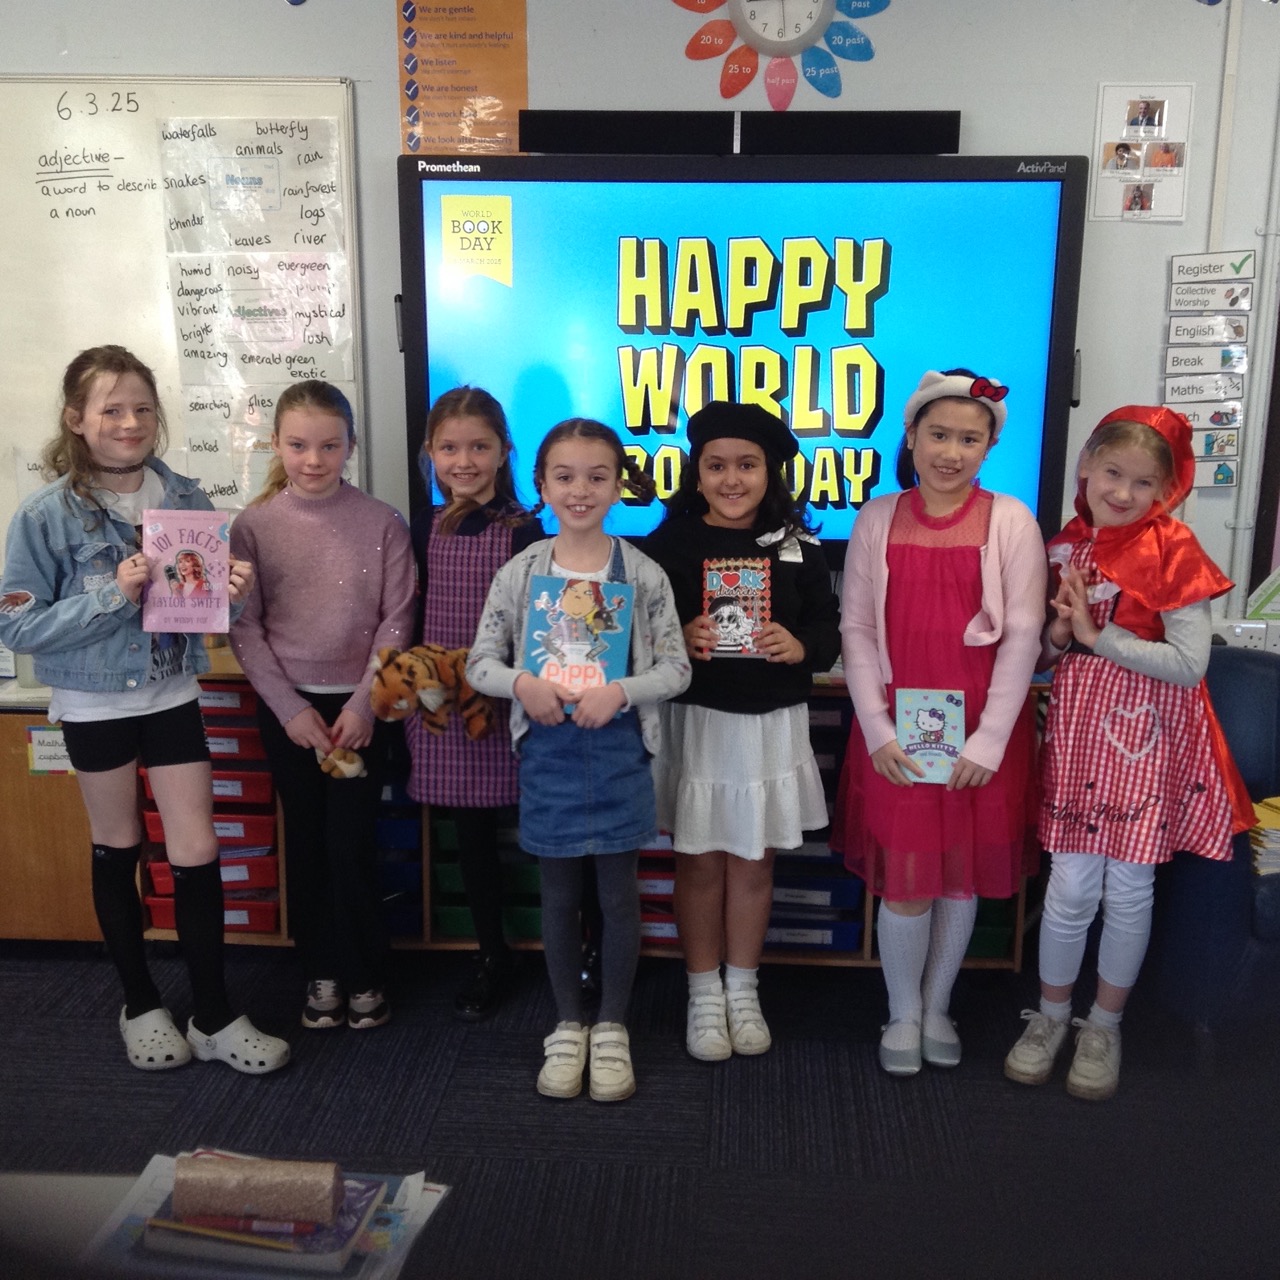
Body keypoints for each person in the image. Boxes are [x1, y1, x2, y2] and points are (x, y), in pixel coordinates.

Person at [0, 345, 289, 1074]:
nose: (130, 423)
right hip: (93, 700)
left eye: (141, 408)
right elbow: (17, 626)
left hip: (171, 691)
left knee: (197, 847)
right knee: (118, 843)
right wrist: (113, 594)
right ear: (77, 419)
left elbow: (205, 614)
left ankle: (213, 1014)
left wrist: (232, 595)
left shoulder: (185, 497)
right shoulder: (45, 514)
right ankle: (140, 1004)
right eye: (112, 409)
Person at [1003, 406, 1252, 1101]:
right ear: (1086, 466)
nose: (1123, 492)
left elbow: (1191, 665)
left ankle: (1104, 1025)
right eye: (1113, 473)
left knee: (1129, 889)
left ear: (1166, 490)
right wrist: (1060, 635)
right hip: (1081, 735)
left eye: (1144, 483)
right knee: (1070, 886)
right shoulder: (1064, 547)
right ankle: (1051, 1016)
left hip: (1147, 739)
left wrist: (1096, 635)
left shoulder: (1175, 548)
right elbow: (1044, 658)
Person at [467, 418, 690, 1102]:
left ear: (619, 485)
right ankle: (568, 1022)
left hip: (620, 751)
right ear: (541, 485)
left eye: (597, 476)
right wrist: (523, 684)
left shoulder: (643, 574)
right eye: (564, 477)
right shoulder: (521, 573)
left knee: (618, 895)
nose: (580, 490)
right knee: (560, 896)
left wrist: (622, 690)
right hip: (550, 754)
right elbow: (479, 663)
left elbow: (677, 668)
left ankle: (613, 1024)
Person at [832, 369, 1046, 1076]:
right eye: (938, 435)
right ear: (912, 436)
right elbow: (857, 628)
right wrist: (876, 728)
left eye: (969, 439)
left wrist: (990, 738)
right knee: (907, 879)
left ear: (989, 447)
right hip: (898, 729)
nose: (951, 452)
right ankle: (902, 1010)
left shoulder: (1011, 520)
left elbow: (1023, 633)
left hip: (982, 728)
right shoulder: (876, 518)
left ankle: (937, 1006)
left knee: (959, 876)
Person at [645, 401, 840, 1061]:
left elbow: (828, 627)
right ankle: (703, 991)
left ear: (770, 472)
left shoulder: (798, 545)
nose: (732, 479)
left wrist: (801, 645)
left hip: (769, 725)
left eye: (747, 465)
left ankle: (743, 988)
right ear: (696, 473)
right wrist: (678, 635)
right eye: (716, 465)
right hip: (699, 721)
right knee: (699, 863)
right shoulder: (669, 544)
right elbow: (640, 630)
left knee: (755, 864)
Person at [231, 381, 416, 1033]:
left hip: (358, 712)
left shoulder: (383, 522)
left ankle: (366, 971)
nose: (314, 460)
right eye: (299, 445)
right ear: (276, 445)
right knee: (306, 841)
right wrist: (288, 710)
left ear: (351, 446)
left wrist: (364, 705)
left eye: (330, 446)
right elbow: (245, 627)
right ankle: (322, 970)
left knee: (351, 843)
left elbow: (397, 620)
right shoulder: (253, 526)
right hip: (291, 713)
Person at [409, 386, 543, 1021]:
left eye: (479, 447)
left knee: (549, 829)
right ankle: (493, 952)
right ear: (430, 452)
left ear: (504, 451)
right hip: (443, 699)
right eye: (449, 448)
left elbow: (537, 623)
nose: (464, 462)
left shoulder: (525, 531)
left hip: (510, 699)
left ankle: (579, 946)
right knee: (471, 839)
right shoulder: (421, 526)